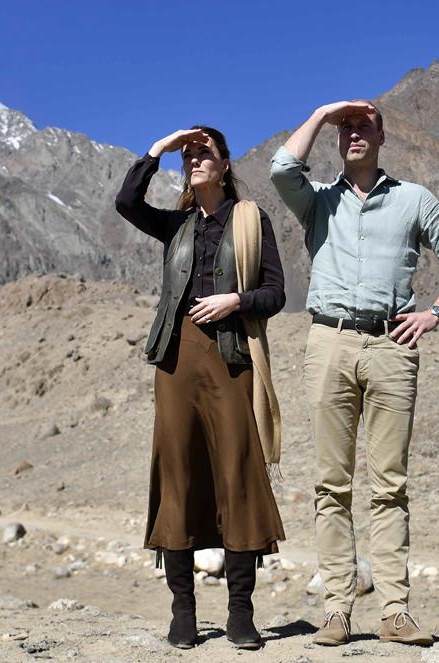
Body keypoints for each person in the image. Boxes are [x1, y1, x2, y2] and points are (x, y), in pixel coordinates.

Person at [270, 101, 439, 647]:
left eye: (364, 126)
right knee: (330, 485)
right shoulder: (317, 203)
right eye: (347, 129)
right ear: (337, 141)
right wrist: (321, 113)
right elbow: (280, 170)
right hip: (329, 341)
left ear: (382, 137)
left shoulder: (415, 199)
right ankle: (337, 610)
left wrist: (434, 312)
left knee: (390, 484)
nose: (355, 134)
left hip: (392, 345)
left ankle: (394, 611)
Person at [115, 126, 287, 650]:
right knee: (178, 476)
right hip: (176, 358)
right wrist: (158, 149)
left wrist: (235, 302)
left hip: (232, 356)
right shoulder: (175, 226)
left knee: (237, 472)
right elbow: (126, 201)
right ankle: (183, 613)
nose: (193, 160)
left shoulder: (251, 220)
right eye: (187, 155)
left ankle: (240, 614)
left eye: (202, 152)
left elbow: (276, 293)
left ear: (225, 163)